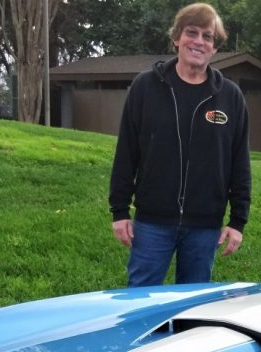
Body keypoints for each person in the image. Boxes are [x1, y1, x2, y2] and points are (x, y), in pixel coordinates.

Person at [108, 3, 251, 287]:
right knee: (140, 304)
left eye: (207, 36)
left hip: (205, 226)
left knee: (192, 310)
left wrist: (237, 221)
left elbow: (239, 163)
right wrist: (120, 211)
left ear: (214, 48)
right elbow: (126, 152)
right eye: (192, 32)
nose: (199, 41)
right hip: (152, 222)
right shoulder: (146, 87)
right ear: (177, 38)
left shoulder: (230, 97)